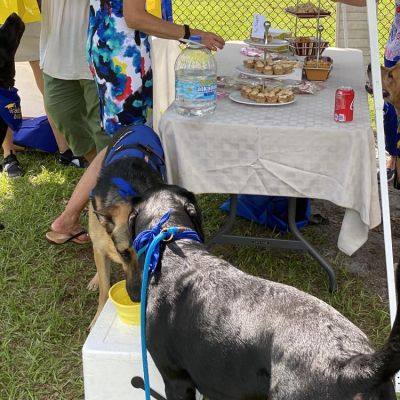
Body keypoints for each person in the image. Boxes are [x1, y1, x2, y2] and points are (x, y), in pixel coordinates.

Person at [46, 0, 224, 244]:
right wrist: (191, 33)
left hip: (107, 49)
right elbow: (135, 17)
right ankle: (83, 221)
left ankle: (78, 218)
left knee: (121, 143)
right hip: (124, 61)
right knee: (124, 145)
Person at [1, 20, 85, 177]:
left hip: (31, 13)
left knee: (48, 78)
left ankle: (65, 149)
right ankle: (8, 154)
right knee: (2, 87)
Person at [39, 0, 111, 165]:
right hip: (56, 49)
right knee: (62, 113)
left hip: (99, 50)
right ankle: (98, 172)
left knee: (102, 128)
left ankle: (110, 183)